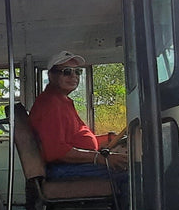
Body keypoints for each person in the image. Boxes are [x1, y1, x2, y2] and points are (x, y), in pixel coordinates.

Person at [28, 51, 127, 180]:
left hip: (70, 165)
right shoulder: (50, 104)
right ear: (51, 75)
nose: (74, 76)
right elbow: (56, 151)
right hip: (62, 169)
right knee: (129, 172)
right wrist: (100, 158)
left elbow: (75, 139)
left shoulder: (62, 101)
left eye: (77, 72)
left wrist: (110, 139)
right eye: (67, 72)